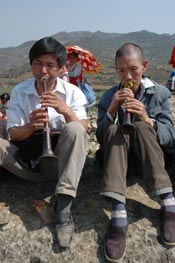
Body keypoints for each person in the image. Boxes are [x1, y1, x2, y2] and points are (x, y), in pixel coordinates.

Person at [0, 37, 88, 248]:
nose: (43, 71)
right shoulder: (20, 92)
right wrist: (31, 125)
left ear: (60, 68)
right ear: (31, 65)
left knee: (75, 127)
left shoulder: (72, 92)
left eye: (50, 65)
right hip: (28, 165)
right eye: (38, 64)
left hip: (61, 166)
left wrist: (65, 110)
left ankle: (64, 206)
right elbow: (12, 133)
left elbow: (83, 129)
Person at [96, 43, 175, 262]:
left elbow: (169, 135)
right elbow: (101, 138)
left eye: (133, 69)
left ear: (144, 66)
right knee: (113, 128)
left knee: (141, 126)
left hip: (151, 160)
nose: (128, 76)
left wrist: (146, 119)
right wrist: (112, 109)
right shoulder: (109, 95)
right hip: (121, 163)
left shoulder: (158, 93)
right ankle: (118, 213)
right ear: (116, 70)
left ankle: (168, 203)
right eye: (122, 70)